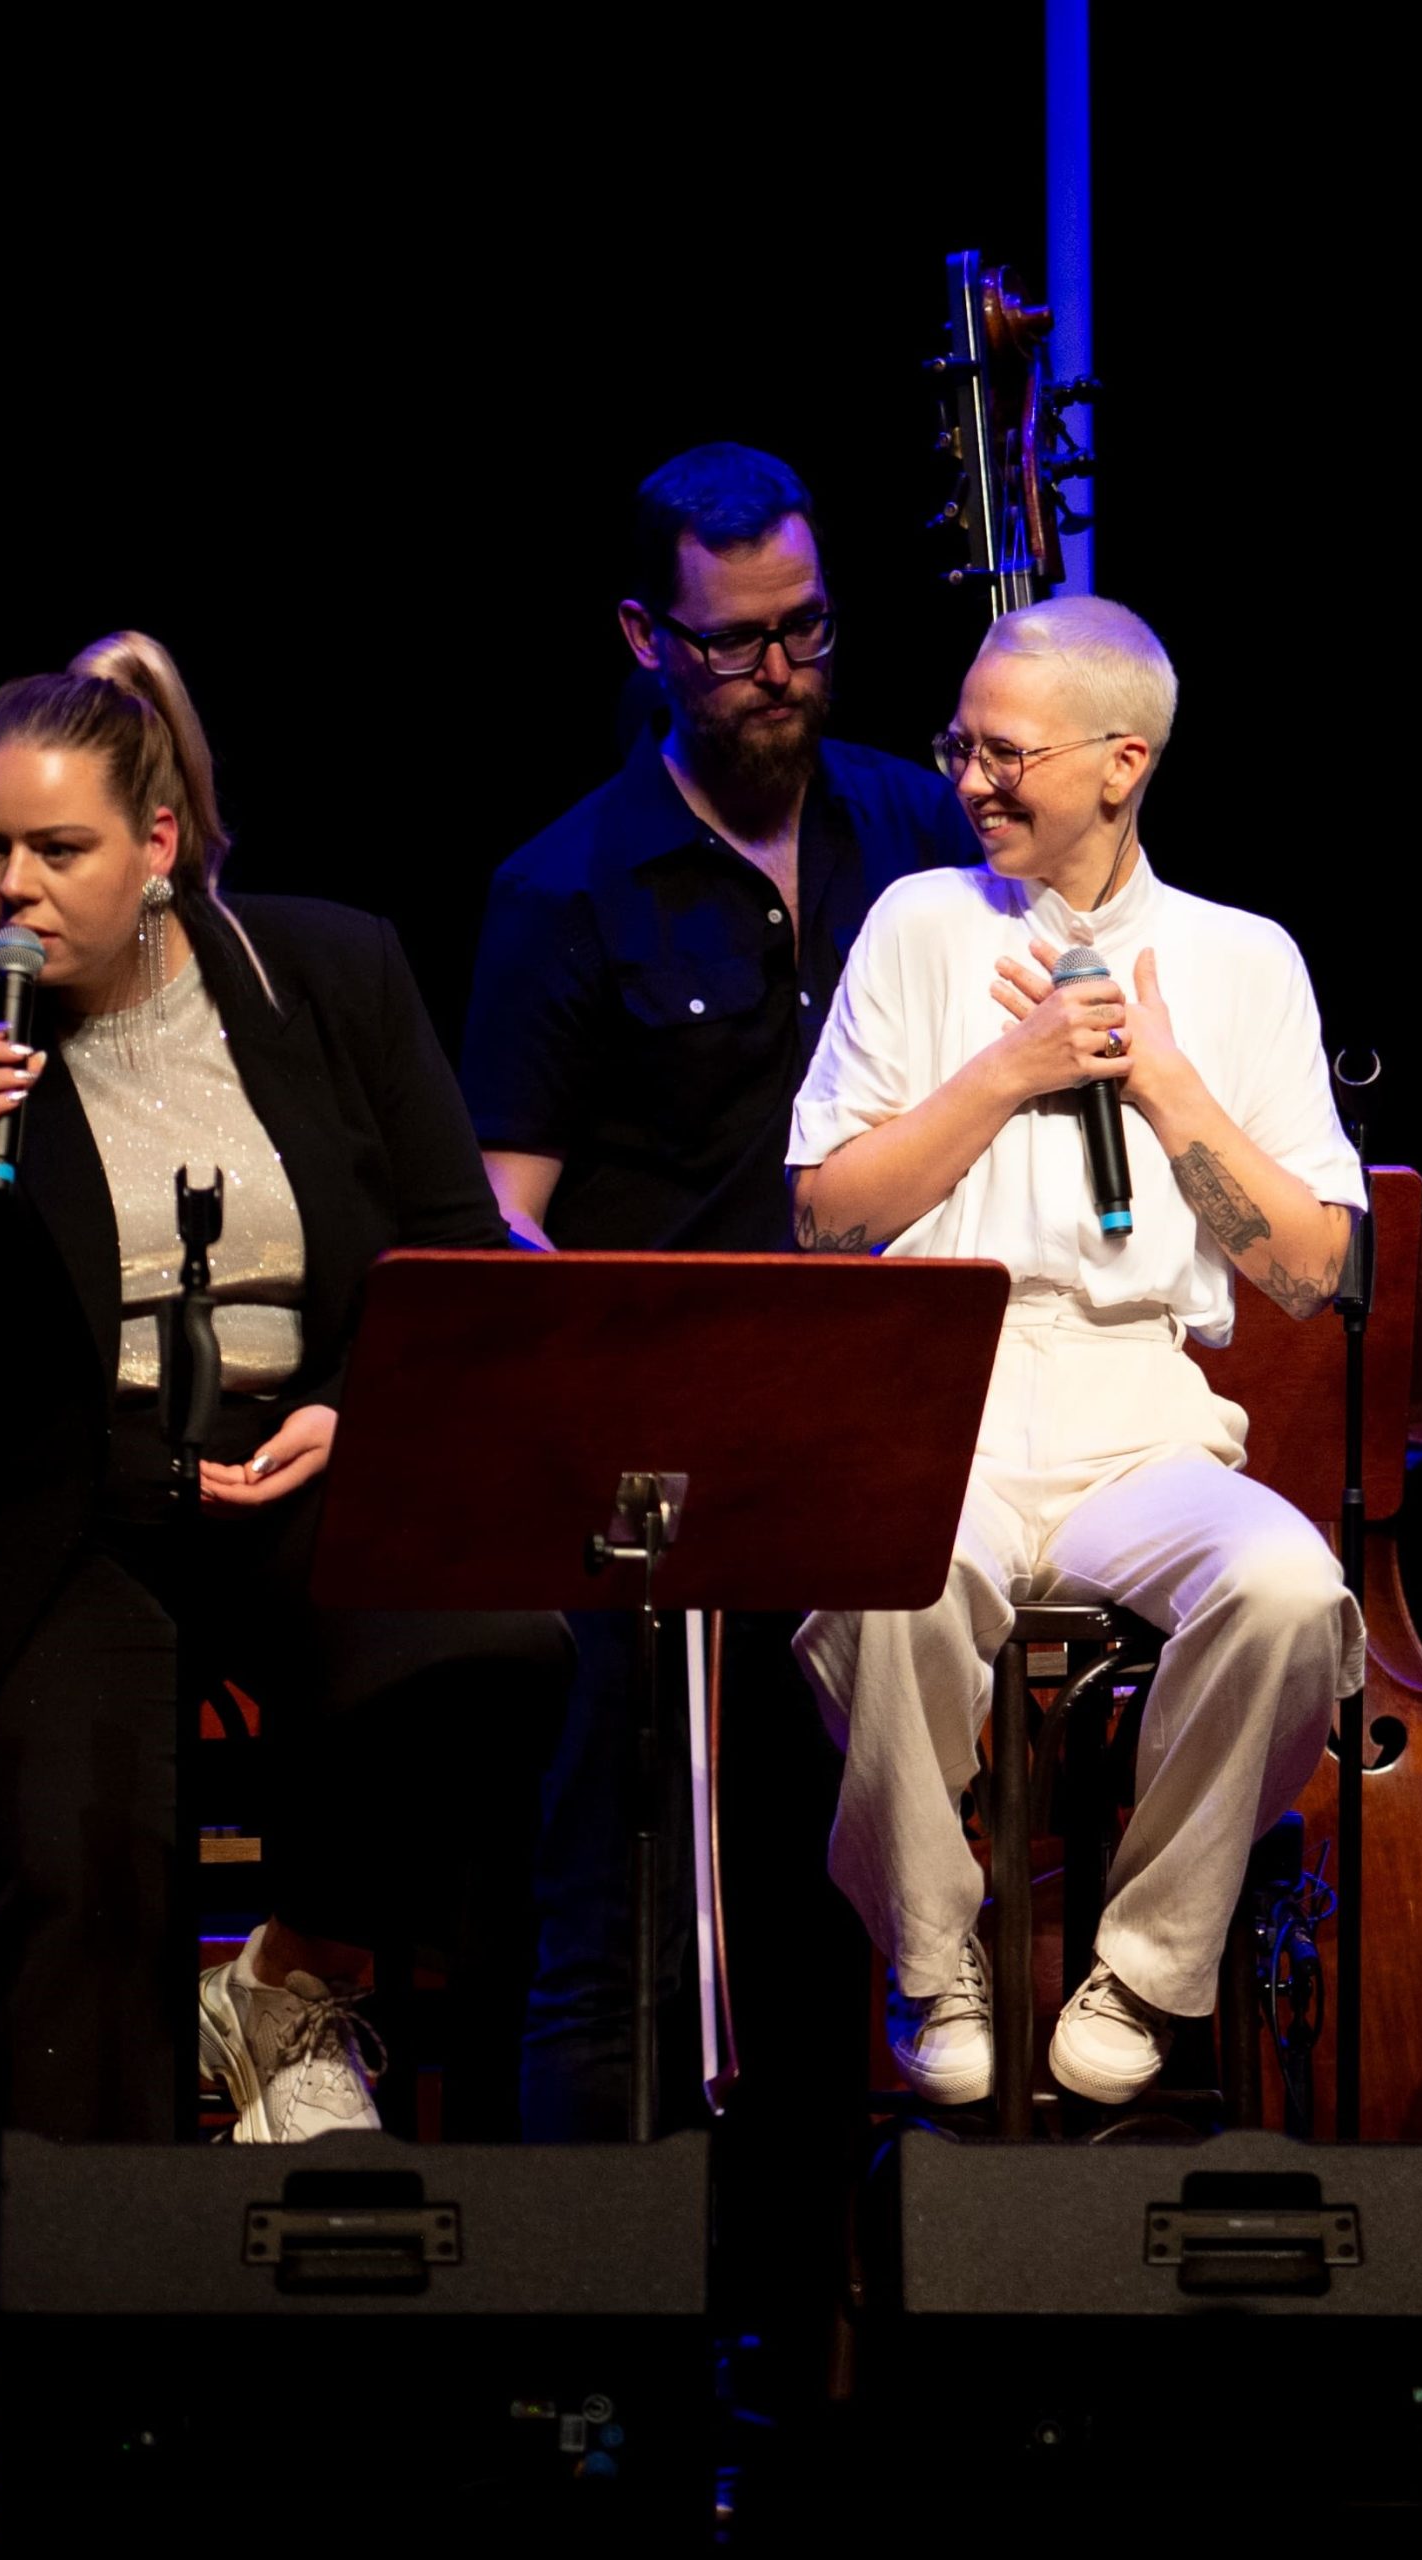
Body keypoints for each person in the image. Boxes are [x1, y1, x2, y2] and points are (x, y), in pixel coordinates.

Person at [0, 633, 569, 2144]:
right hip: (52, 1514)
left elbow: (456, 1256)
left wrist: (355, 1404)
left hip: (297, 1460)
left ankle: (293, 1981)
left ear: (152, 846)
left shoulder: (327, 970)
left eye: (57, 849)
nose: (12, 888)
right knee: (82, 1854)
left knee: (496, 1649)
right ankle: (98, 2309)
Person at [787, 593, 1367, 2108]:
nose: (969, 780)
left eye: (1004, 754)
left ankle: (1151, 1960)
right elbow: (826, 1223)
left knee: (1292, 1590)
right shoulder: (921, 925)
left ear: (1123, 764)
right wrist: (1008, 1072)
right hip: (941, 1392)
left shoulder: (1243, 961)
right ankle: (933, 1960)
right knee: (879, 1586)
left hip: (1138, 1404)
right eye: (959, 746)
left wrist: (1165, 1085)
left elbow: (1311, 1274)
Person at [459, 444, 966, 2141]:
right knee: (616, 1916)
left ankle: (823, 2355)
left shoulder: (918, 826)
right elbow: (502, 1218)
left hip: (876, 1439)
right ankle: (602, 2349)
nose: (777, 676)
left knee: (850, 1906)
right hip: (658, 1474)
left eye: (806, 634)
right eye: (736, 642)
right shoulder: (562, 890)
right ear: (645, 638)